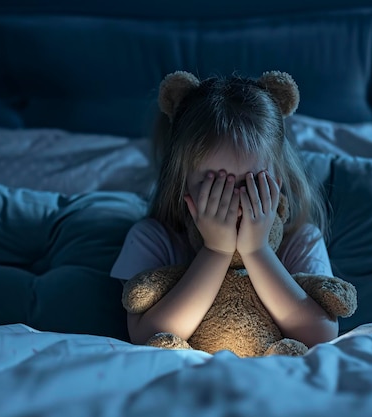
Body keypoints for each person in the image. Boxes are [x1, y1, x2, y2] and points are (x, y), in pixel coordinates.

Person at [110, 70, 337, 348]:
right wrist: (216, 252)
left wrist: (258, 252)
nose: (234, 198)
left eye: (250, 182)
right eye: (216, 183)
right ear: (182, 185)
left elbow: (321, 335)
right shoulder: (152, 239)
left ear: (277, 182)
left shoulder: (300, 240)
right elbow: (148, 337)